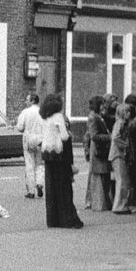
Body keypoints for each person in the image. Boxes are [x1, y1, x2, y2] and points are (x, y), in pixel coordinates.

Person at [40, 94, 83, 229]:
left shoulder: (45, 118)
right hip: (59, 156)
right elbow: (64, 137)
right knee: (63, 187)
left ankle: (53, 220)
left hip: (47, 155)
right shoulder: (58, 117)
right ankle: (67, 219)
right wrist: (69, 134)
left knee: (51, 187)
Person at [84, 95, 112, 211]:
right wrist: (109, 137)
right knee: (98, 175)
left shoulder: (98, 116)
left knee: (101, 175)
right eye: (102, 104)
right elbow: (94, 135)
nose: (104, 106)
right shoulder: (93, 118)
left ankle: (97, 202)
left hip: (99, 148)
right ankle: (97, 203)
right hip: (97, 149)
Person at [16, 93, 45, 199]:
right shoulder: (43, 112)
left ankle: (31, 191)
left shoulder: (26, 112)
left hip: (28, 139)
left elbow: (20, 127)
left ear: (32, 101)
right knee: (39, 164)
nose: (26, 102)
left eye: (27, 100)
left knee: (29, 165)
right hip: (40, 139)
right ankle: (40, 183)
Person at [110, 103, 135, 214]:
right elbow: (115, 138)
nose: (129, 113)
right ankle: (119, 206)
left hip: (119, 154)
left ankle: (121, 204)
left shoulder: (123, 124)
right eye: (127, 111)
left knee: (122, 180)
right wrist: (126, 145)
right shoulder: (119, 124)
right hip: (118, 154)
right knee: (122, 180)